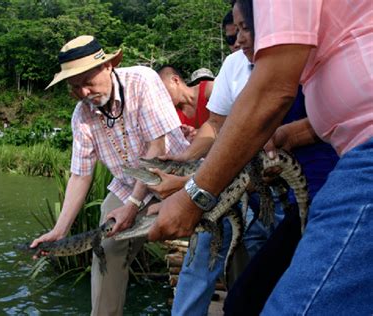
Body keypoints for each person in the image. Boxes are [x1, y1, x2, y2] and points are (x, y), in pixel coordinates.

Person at [148, 0, 372, 314]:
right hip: (319, 183)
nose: (238, 40)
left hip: (342, 177)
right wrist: (286, 135)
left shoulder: (278, 65)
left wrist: (192, 196)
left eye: (243, 29)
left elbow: (271, 94)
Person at [30, 35, 189, 316]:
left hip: (175, 177)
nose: (84, 93)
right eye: (75, 87)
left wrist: (134, 205)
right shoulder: (82, 116)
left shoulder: (142, 81)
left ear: (108, 67)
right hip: (128, 186)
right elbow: (80, 175)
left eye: (88, 82)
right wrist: (60, 230)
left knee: (217, 235)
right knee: (107, 247)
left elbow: (157, 147)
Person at [157, 65, 214, 142]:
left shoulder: (210, 89)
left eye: (162, 89)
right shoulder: (171, 114)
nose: (161, 95)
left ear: (175, 80)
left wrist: (200, 133)